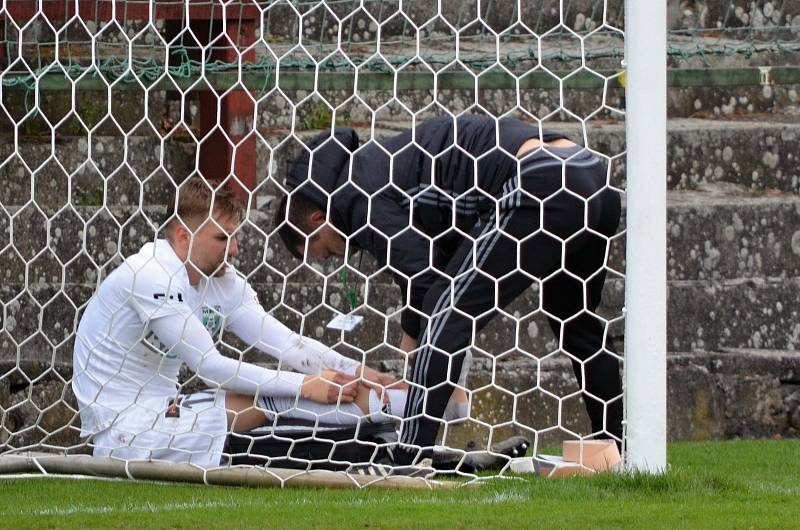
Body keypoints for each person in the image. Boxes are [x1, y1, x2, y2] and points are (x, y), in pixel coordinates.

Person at [275, 114, 624, 467]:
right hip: (591, 175)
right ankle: (615, 451)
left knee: (448, 313)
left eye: (325, 251)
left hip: (542, 179)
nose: (335, 258)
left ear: (318, 220)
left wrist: (417, 344)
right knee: (577, 325)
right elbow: (431, 264)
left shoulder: (356, 199)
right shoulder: (378, 165)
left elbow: (426, 276)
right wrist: (416, 333)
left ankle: (408, 458)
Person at [71, 176, 404, 468]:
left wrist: (363, 373)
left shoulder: (223, 282)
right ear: (184, 236)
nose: (234, 250)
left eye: (235, 237)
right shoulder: (151, 274)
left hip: (167, 412)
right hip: (122, 432)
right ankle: (370, 445)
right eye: (221, 238)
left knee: (290, 396)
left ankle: (398, 411)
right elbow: (209, 366)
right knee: (273, 398)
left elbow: (287, 344)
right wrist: (305, 384)